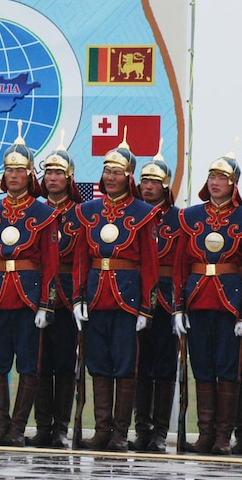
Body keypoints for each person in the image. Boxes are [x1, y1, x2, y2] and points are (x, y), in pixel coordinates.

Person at [0, 126, 59, 447]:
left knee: (28, 365)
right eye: (8, 169)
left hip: (28, 297)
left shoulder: (44, 213)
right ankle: (1, 425)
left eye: (20, 170)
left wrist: (46, 303)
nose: (13, 175)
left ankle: (18, 428)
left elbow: (50, 263)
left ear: (30, 174)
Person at [72, 135, 157, 451]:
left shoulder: (142, 212)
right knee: (98, 365)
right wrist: (79, 297)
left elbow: (149, 264)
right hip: (96, 297)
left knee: (124, 366)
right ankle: (102, 430)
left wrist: (146, 307)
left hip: (127, 299)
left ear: (129, 177)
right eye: (107, 171)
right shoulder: (88, 210)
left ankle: (120, 433)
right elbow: (81, 258)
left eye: (117, 172)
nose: (110, 177)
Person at [173, 147, 242, 455]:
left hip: (230, 303)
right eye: (212, 176)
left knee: (227, 370)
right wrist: (178, 306)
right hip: (198, 299)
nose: (215, 183)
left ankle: (223, 437)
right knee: (201, 368)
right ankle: (205, 433)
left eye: (222, 178)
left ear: (234, 184)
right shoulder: (191, 216)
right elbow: (180, 265)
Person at [31, 134, 83, 448]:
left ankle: (61, 427)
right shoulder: (34, 211)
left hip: (67, 296)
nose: (52, 178)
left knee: (64, 364)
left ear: (69, 178)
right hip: (36, 296)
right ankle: (42, 426)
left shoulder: (81, 213)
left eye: (59, 173)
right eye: (48, 172)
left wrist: (81, 298)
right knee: (39, 362)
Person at [132, 145, 181, 453]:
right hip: (135, 298)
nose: (148, 186)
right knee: (138, 364)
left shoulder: (180, 219)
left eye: (154, 181)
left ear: (165, 185)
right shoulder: (132, 215)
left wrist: (180, 306)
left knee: (164, 366)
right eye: (145, 180)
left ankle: (160, 431)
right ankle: (142, 428)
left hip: (166, 299)